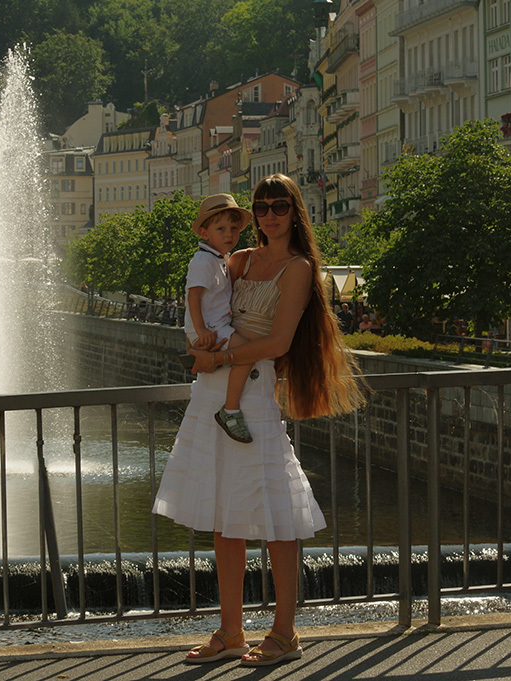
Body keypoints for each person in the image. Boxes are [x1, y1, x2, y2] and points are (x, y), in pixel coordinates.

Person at [153, 173, 364, 668]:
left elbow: (278, 344)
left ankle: (285, 632)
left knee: (275, 514)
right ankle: (230, 630)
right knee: (223, 516)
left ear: (294, 211)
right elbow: (203, 301)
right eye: (263, 205)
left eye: (279, 205)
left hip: (249, 393)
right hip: (214, 392)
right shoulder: (240, 260)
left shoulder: (298, 268)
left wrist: (217, 359)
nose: (270, 213)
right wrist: (200, 344)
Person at [183, 193, 256, 443]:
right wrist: (201, 330)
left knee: (240, 354)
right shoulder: (204, 260)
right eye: (221, 228)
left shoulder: (218, 258)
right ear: (205, 233)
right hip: (211, 328)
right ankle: (230, 410)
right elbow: (194, 297)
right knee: (248, 352)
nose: (229, 234)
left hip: (215, 326)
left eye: (234, 229)